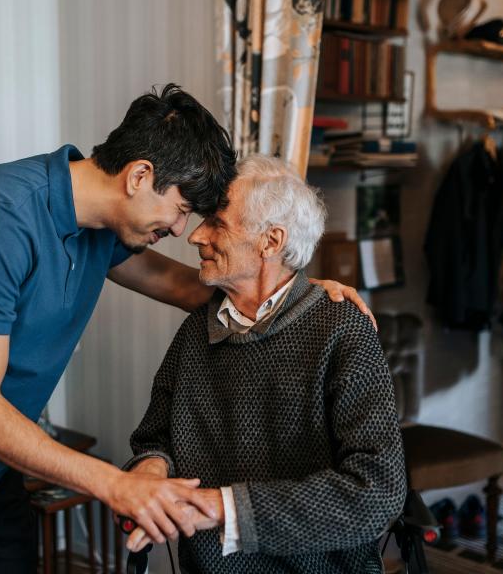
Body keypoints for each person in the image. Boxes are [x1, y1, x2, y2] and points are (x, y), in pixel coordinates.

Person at [0, 84, 372, 573]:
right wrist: (116, 485)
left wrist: (298, 290)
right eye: (181, 210)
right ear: (139, 176)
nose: (183, 231)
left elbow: (184, 286)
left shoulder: (101, 226)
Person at [124, 155, 406, 573]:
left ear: (271, 242)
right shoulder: (195, 334)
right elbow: (156, 436)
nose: (195, 236)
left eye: (217, 223)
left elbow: (377, 491)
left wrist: (223, 508)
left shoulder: (341, 331)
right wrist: (150, 469)